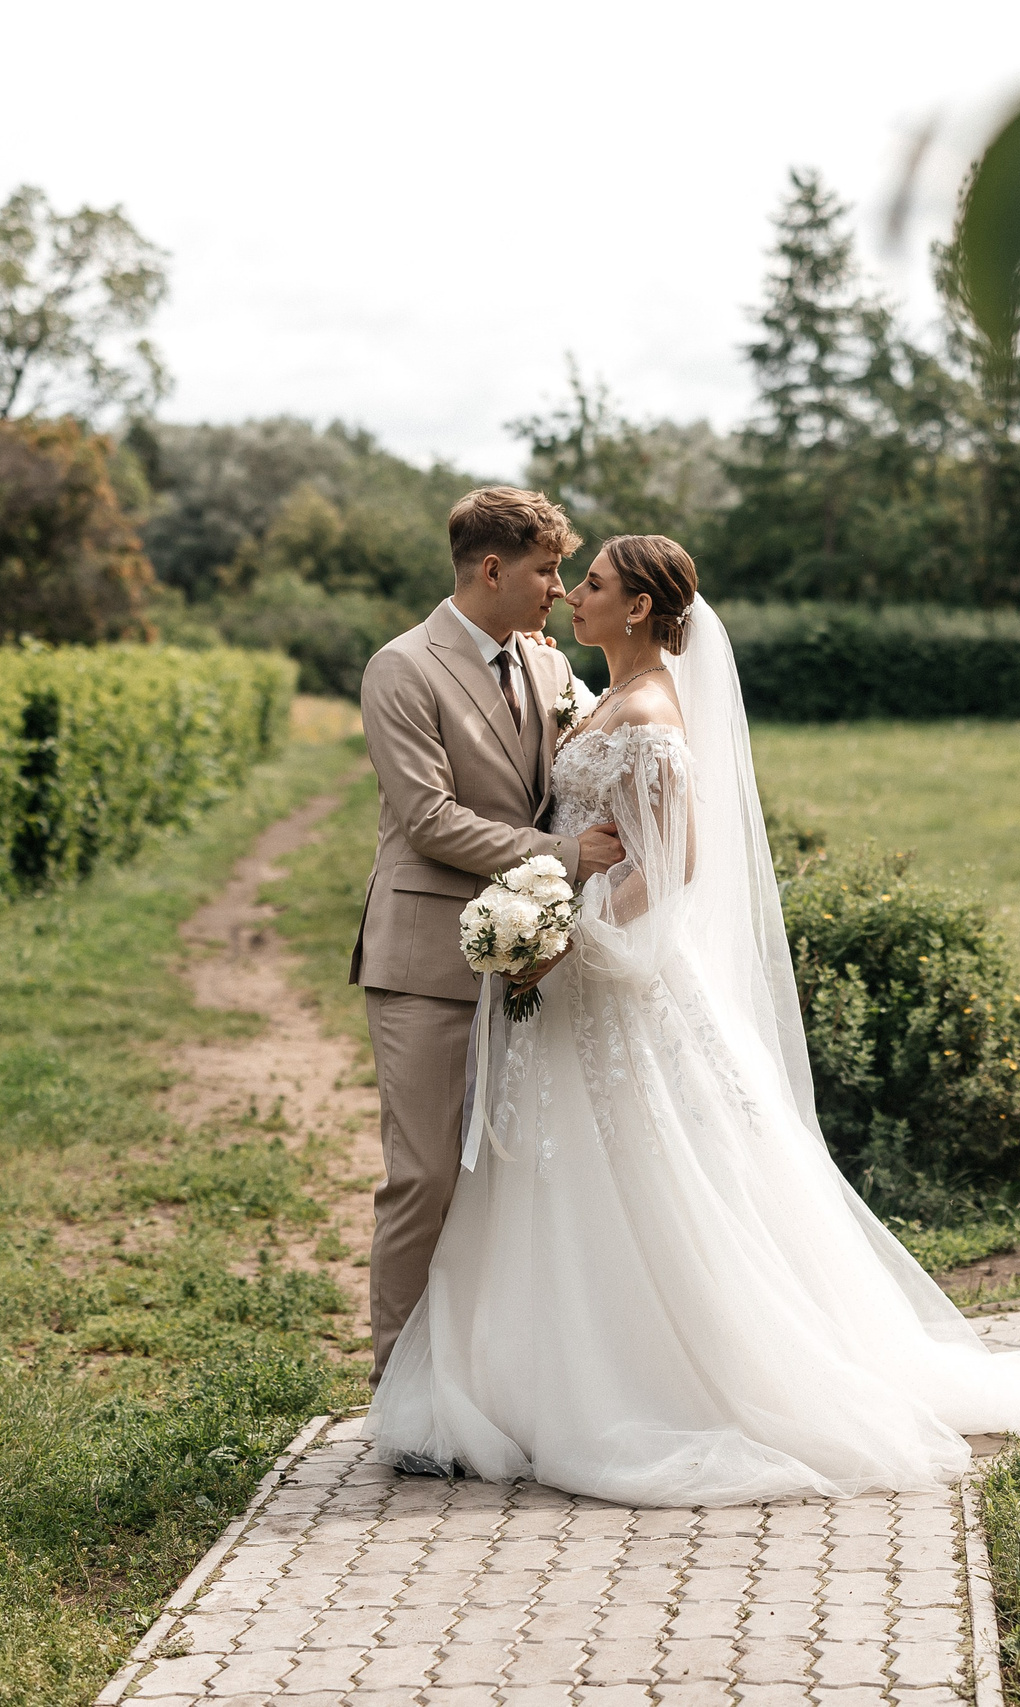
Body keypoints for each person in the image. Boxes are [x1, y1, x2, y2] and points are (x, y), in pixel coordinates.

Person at [371, 533, 1020, 1506]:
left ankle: (658, 1385)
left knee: (643, 1178)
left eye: (596, 585)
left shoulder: (653, 716)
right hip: (571, 985)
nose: (574, 595)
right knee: (550, 1180)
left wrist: (565, 936)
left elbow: (676, 865)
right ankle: (528, 1387)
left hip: (611, 982)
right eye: (570, 579)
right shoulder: (601, 693)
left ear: (641, 610)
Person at [350, 486, 625, 1386]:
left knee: (502, 1185)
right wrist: (563, 855)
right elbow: (429, 819)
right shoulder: (401, 668)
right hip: (426, 959)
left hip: (529, 956)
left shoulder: (546, 668)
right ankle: (400, 1395)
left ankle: (485, 1383)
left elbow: (580, 761)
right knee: (426, 1176)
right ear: (494, 567)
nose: (558, 588)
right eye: (547, 570)